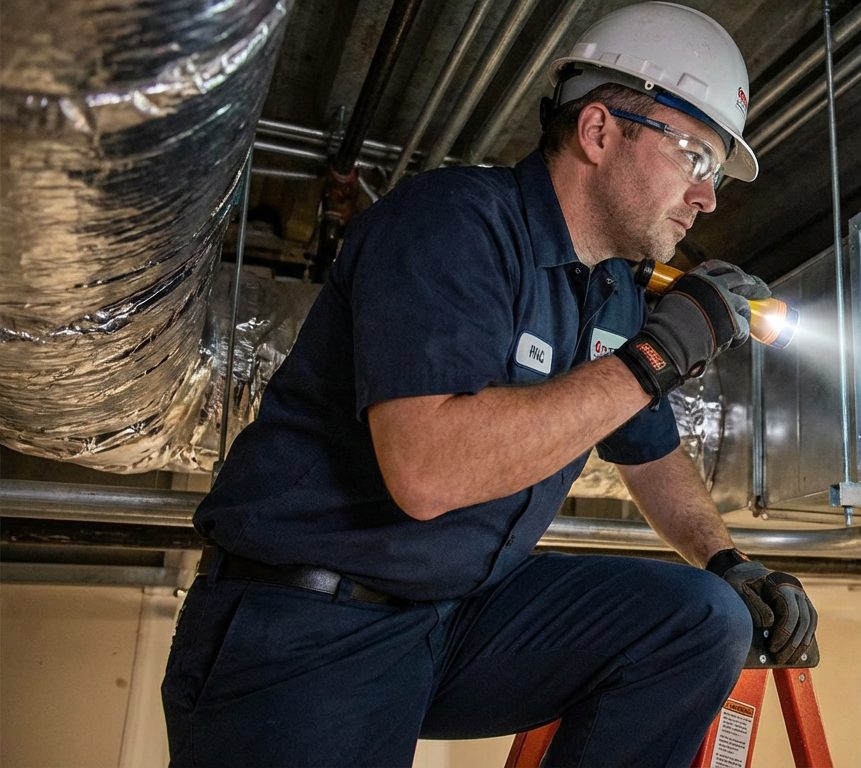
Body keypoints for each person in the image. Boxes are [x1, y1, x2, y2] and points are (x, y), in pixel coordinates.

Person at [160, 3, 819, 766]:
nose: (707, 197)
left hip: (452, 617)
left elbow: (648, 451)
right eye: (695, 159)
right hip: (305, 625)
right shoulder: (452, 226)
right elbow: (428, 472)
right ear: (599, 131)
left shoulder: (614, 291)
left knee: (700, 620)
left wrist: (728, 562)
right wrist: (655, 358)